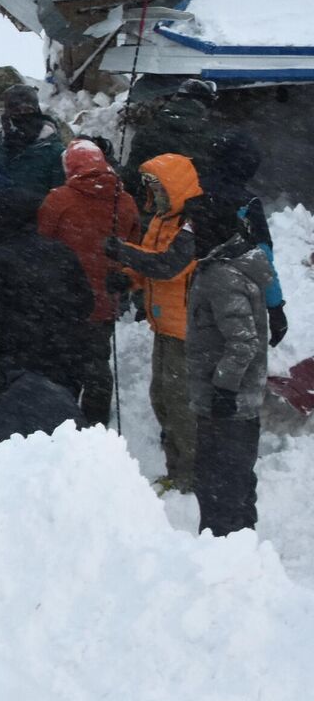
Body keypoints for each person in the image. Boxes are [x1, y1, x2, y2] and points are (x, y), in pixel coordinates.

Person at [107, 153, 204, 492]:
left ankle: (190, 475)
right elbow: (148, 263)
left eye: (159, 188)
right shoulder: (162, 221)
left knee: (179, 405)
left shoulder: (193, 223)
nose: (155, 196)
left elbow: (167, 266)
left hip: (185, 330)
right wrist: (127, 278)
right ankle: (176, 468)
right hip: (163, 326)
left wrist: (124, 252)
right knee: (161, 398)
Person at [183, 197, 274, 535]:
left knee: (217, 485)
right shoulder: (230, 264)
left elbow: (243, 340)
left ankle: (222, 556)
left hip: (227, 406)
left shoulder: (222, 275)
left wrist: (223, 387)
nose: (187, 234)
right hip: (237, 404)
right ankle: (240, 549)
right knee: (235, 482)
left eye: (193, 227)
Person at [37, 140, 140, 426]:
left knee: (63, 364)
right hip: (106, 297)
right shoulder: (126, 201)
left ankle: (63, 421)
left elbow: (42, 242)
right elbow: (135, 250)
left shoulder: (58, 200)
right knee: (97, 363)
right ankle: (96, 423)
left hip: (65, 298)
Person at [0, 187, 92, 422]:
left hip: (17, 363)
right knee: (62, 423)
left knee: (20, 429)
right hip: (64, 357)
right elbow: (85, 302)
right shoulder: (61, 251)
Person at [197, 130, 288, 346]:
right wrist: (275, 308)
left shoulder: (190, 191)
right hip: (230, 302)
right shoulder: (247, 203)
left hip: (188, 302)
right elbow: (262, 259)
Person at [123, 78, 216, 192]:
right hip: (190, 204)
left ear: (176, 98)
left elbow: (132, 173)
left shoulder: (153, 128)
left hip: (150, 200)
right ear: (205, 104)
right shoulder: (208, 135)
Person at [0, 84, 65, 196]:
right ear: (8, 114)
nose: (23, 115)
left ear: (37, 111)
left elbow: (60, 197)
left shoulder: (55, 152)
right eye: (16, 111)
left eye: (28, 110)